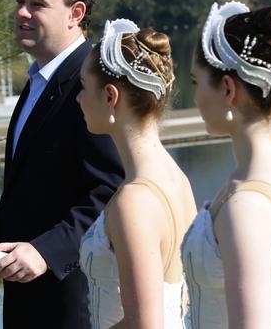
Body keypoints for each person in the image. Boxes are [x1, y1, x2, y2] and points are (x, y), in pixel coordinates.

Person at [0, 0, 124, 327]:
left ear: (76, 13)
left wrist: (47, 251)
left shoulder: (90, 84)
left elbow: (110, 190)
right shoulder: (39, 79)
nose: (22, 12)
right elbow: (32, 193)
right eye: (20, 1)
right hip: (28, 302)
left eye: (37, 4)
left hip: (72, 300)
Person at [77, 19, 197, 328]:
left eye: (83, 87)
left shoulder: (134, 200)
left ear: (110, 97)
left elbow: (146, 324)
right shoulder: (177, 178)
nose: (78, 99)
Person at [181, 2, 271, 328]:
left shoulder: (247, 205)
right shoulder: (250, 182)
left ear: (227, 88)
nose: (195, 99)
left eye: (197, 83)